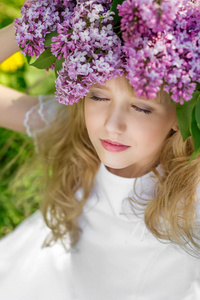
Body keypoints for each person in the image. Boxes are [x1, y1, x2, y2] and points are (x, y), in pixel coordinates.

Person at [0, 1, 200, 299]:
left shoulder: (192, 191)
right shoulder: (72, 128)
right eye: (98, 97)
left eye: (142, 108)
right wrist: (38, 19)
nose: (113, 125)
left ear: (178, 116)